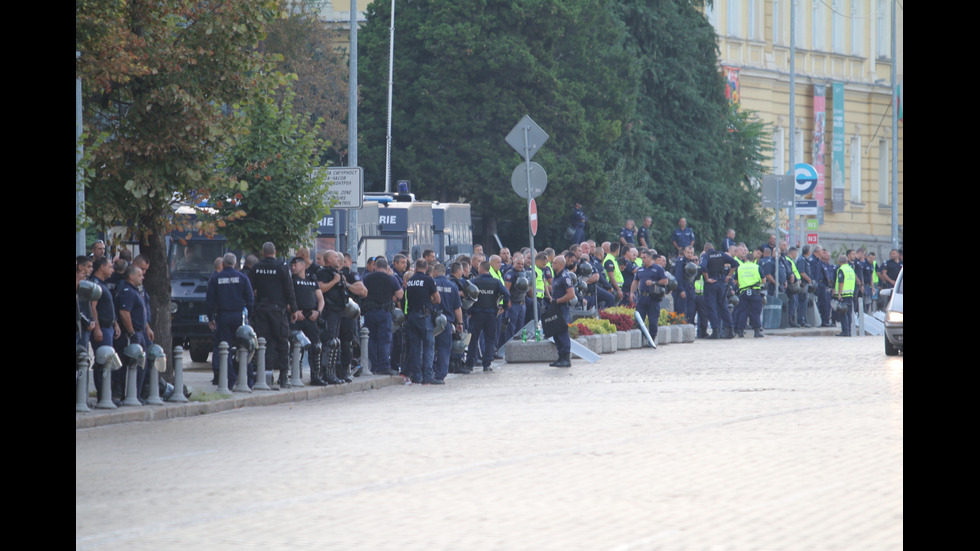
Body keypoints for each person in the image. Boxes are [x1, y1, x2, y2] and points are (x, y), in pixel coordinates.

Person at [249, 242, 297, 388]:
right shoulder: (281, 266)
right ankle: (283, 378)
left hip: (262, 310)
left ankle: (267, 376)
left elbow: (251, 289)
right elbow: (289, 289)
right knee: (282, 342)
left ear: (263, 253)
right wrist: (294, 309)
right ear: (274, 252)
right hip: (278, 311)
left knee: (265, 342)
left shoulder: (256, 267)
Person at [206, 253, 255, 387]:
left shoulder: (216, 278)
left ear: (223, 264)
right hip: (239, 316)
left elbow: (209, 301)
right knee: (244, 347)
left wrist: (210, 318)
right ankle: (248, 380)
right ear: (235, 263)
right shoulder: (242, 278)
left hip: (223, 316)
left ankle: (230, 378)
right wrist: (249, 317)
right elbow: (250, 299)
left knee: (224, 349)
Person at [115, 263, 154, 400]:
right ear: (131, 276)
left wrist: (147, 328)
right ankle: (130, 396)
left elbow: (141, 312)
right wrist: (131, 332)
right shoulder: (127, 291)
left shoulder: (136, 290)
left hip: (140, 332)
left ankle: (136, 395)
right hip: (133, 334)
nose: (142, 277)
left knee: (141, 365)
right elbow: (124, 313)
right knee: (132, 364)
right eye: (139, 275)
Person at [465, 261, 510, 373]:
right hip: (491, 314)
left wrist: (469, 310)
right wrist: (503, 307)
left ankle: (469, 365)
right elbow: (507, 294)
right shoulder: (496, 282)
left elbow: (468, 294)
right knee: (490, 339)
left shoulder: (474, 281)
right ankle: (487, 365)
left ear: (480, 268)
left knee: (473, 339)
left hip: (477, 314)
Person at [362, 257, 402, 376]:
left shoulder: (367, 277)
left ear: (375, 267)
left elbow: (362, 293)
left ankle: (373, 366)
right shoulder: (391, 278)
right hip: (384, 312)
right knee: (384, 339)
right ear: (387, 268)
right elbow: (400, 294)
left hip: (369, 312)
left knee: (371, 339)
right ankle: (383, 366)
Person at [404, 259, 441, 384]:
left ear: (415, 268)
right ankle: (427, 376)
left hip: (411, 316)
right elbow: (438, 299)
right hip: (424, 317)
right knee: (428, 346)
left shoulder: (410, 281)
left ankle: (417, 377)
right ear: (425, 268)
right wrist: (429, 301)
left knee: (415, 348)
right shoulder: (428, 280)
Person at [288, 256, 324, 384]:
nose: (293, 267)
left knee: (315, 347)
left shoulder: (312, 279)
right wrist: (294, 311)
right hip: (296, 316)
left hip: (311, 316)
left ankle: (316, 376)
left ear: (303, 265)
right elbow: (286, 299)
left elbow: (320, 299)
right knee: (296, 347)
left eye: (295, 265)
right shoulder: (291, 280)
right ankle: (296, 376)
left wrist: (318, 312)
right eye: (291, 265)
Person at [317, 250, 349, 385]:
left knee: (336, 342)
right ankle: (325, 373)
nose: (338, 259)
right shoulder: (323, 273)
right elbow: (321, 288)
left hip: (338, 311)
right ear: (328, 260)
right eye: (335, 257)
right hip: (328, 312)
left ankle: (333, 372)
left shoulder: (338, 274)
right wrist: (335, 281)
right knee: (329, 342)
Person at [700, 242, 738, 339]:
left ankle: (715, 331)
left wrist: (707, 278)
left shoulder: (706, 256)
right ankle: (730, 331)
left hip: (711, 284)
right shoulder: (721, 254)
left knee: (711, 307)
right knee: (724, 307)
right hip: (721, 283)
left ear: (705, 249)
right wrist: (729, 275)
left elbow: (703, 267)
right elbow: (735, 263)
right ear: (713, 248)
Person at [432, 263, 463, 383]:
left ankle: (430, 371)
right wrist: (460, 323)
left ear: (435, 272)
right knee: (444, 349)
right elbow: (457, 308)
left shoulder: (432, 283)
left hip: (432, 321)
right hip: (448, 323)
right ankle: (441, 374)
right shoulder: (453, 286)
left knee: (430, 347)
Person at [632, 249, 668, 342]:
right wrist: (632, 293)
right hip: (642, 298)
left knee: (653, 320)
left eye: (644, 258)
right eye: (642, 258)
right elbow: (635, 282)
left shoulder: (658, 268)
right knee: (639, 319)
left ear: (649, 257)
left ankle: (651, 339)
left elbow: (665, 281)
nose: (642, 259)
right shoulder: (640, 269)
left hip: (653, 297)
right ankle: (641, 338)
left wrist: (654, 282)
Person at [734, 247, 765, 338]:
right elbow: (763, 280)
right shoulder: (757, 267)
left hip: (743, 292)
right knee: (756, 312)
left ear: (745, 259)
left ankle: (740, 331)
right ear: (753, 260)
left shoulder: (739, 268)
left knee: (742, 312)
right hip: (755, 291)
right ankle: (757, 331)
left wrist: (742, 285)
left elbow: (735, 281)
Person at [834, 253, 856, 336]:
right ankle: (849, 331)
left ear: (839, 261)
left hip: (844, 294)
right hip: (850, 294)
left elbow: (841, 282)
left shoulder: (841, 269)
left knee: (843, 313)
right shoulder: (851, 269)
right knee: (849, 314)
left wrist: (839, 293)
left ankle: (845, 331)